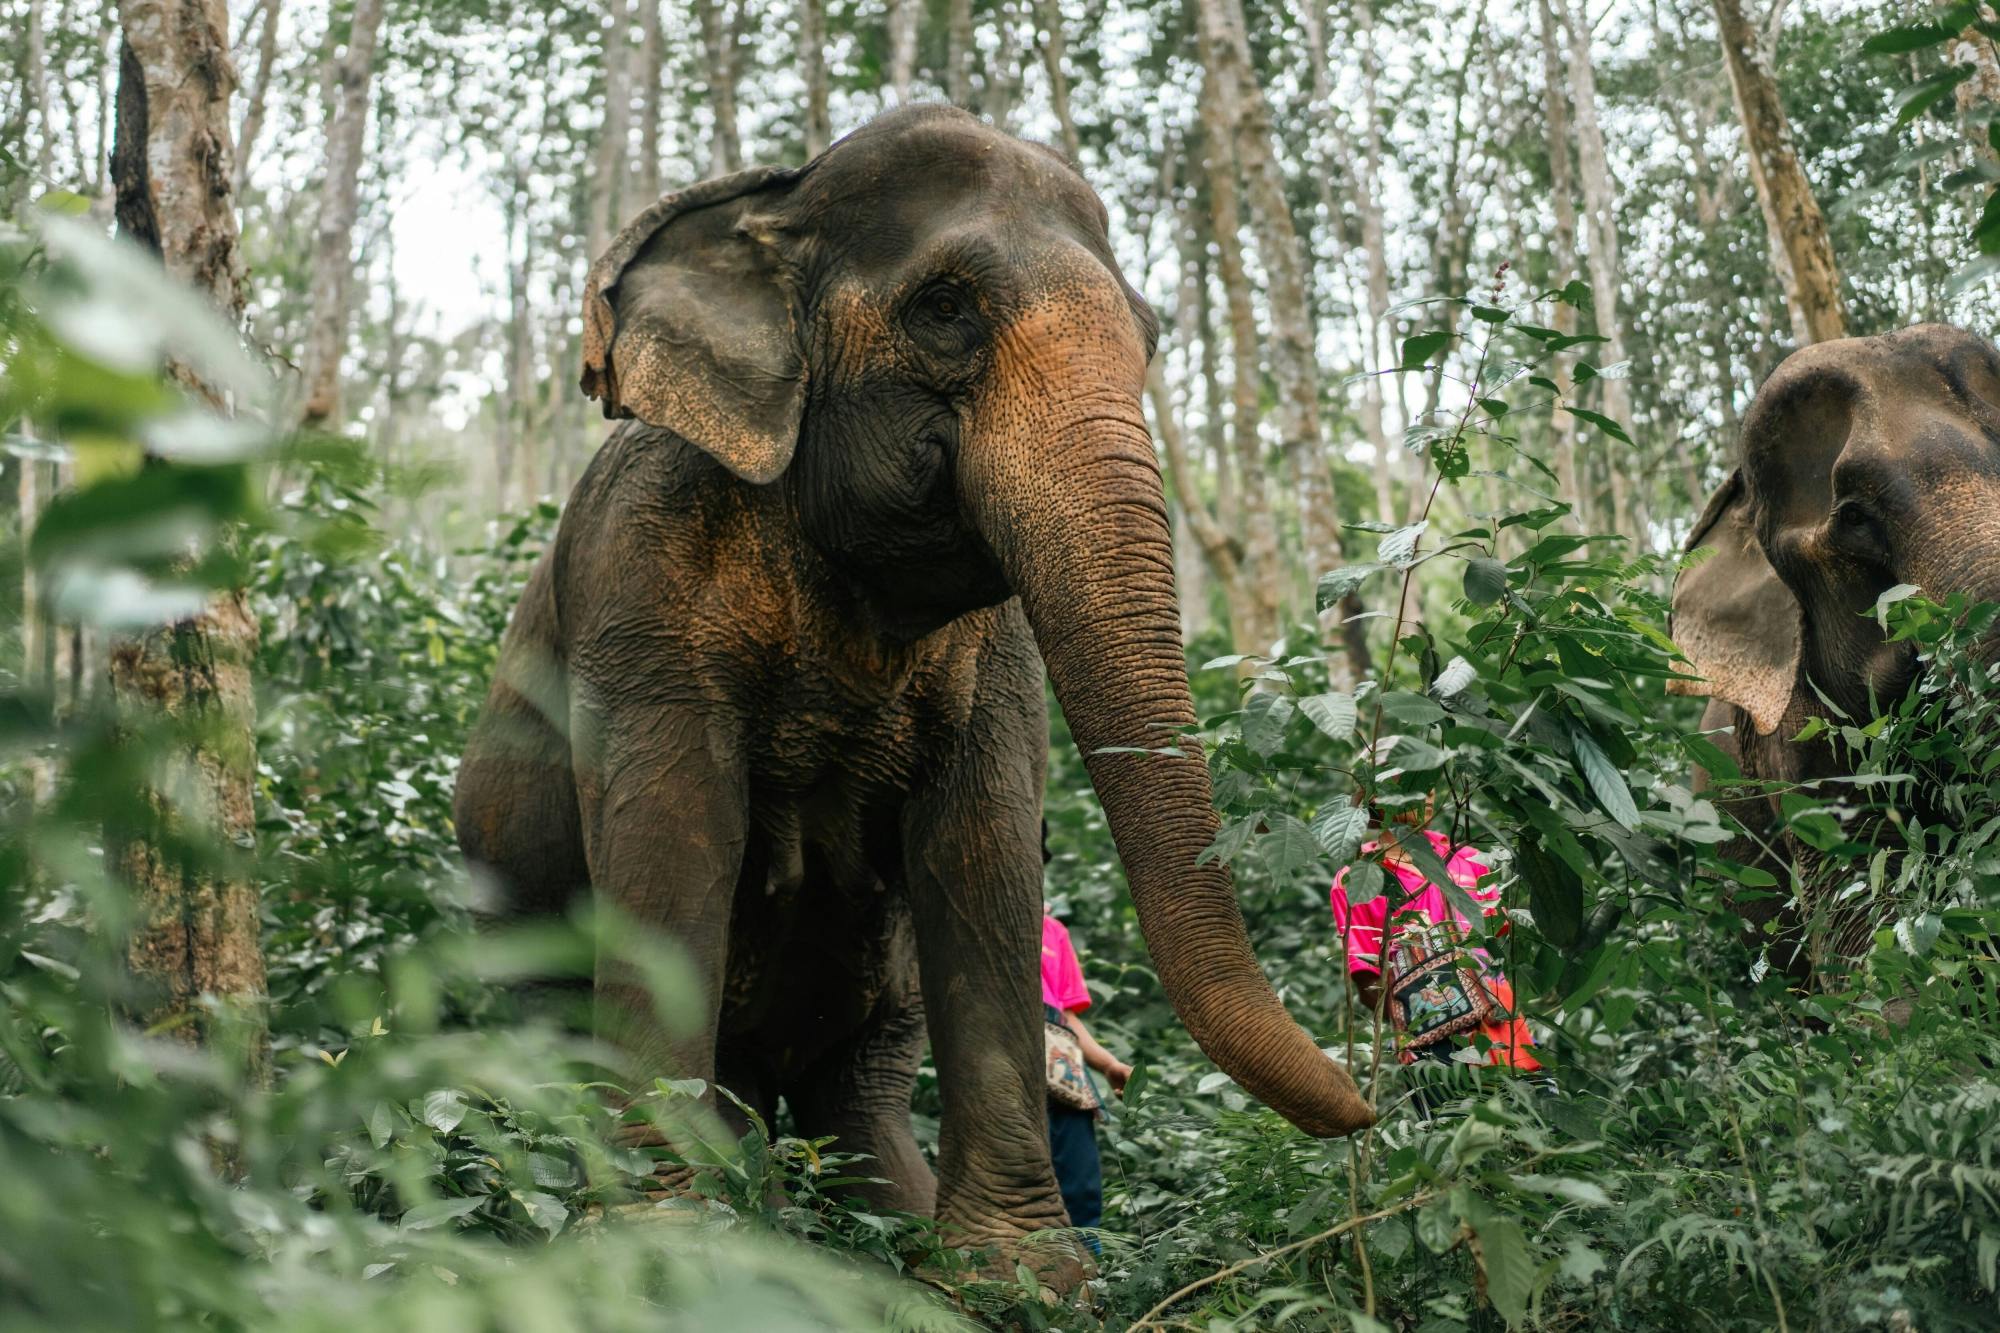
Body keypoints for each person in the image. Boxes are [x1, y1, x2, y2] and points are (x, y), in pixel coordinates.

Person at [1328, 797, 1541, 1077]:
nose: (1428, 794)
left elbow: (1498, 946)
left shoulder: (1467, 859)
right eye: (1412, 781)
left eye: (1428, 784)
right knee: (1451, 1117)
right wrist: (1424, 1025)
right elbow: (1368, 979)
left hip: (1503, 1028)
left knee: (1529, 1112)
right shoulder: (1357, 878)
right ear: (1380, 794)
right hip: (1430, 1042)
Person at [1040, 824, 1131, 1251]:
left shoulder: (1053, 932)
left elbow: (1068, 1017)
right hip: (995, 1040)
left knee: (1077, 1164)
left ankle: (1085, 1259)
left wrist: (1109, 1064)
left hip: (1057, 1049)